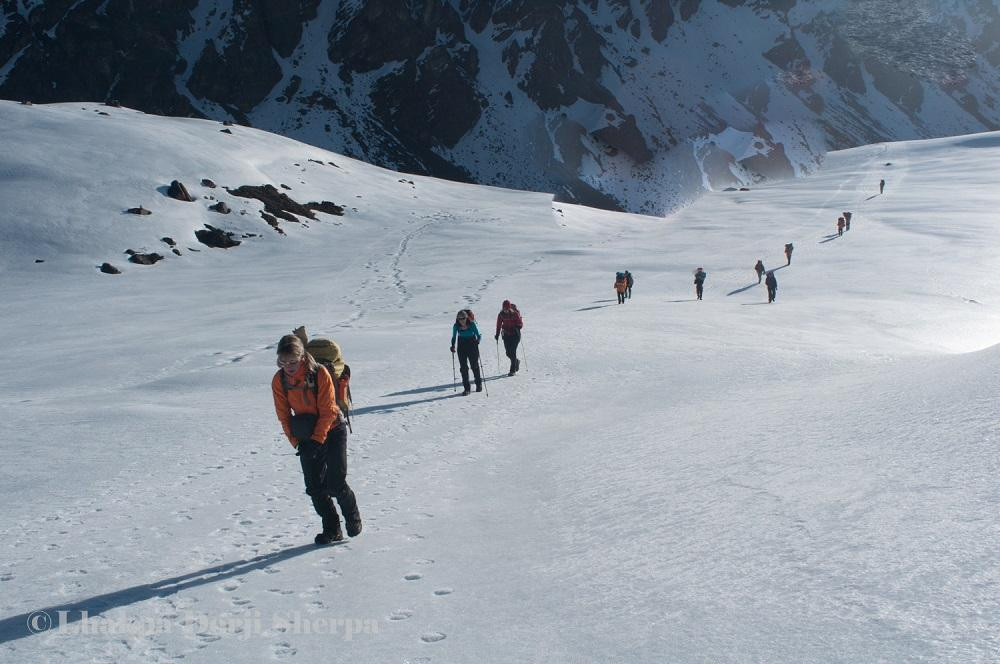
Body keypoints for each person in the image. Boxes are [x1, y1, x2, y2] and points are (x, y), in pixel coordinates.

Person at [272, 334, 361, 545]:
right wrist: (298, 443)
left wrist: (316, 441)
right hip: (306, 436)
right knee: (314, 487)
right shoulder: (279, 380)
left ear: (302, 356)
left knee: (335, 483)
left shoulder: (319, 373)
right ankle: (332, 529)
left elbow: (329, 410)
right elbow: (283, 415)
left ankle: (353, 517)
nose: (289, 367)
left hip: (333, 429)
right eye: (283, 362)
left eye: (293, 361)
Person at [451, 309, 482, 395]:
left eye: (463, 318)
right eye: (460, 319)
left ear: (466, 318)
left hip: (472, 344)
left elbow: (478, 335)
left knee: (474, 365)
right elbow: (454, 337)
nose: (462, 321)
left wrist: (478, 341)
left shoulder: (472, 324)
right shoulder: (456, 326)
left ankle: (478, 384)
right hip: (461, 346)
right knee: (463, 368)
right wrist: (453, 345)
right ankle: (467, 388)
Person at [495, 300, 523, 376]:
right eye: (504, 309)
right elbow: (498, 325)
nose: (506, 310)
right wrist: (497, 334)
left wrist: (517, 327)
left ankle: (512, 370)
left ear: (510, 308)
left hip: (515, 335)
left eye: (507, 308)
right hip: (506, 335)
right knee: (508, 353)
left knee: (512, 351)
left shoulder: (515, 314)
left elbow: (520, 323)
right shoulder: (501, 315)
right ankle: (516, 361)